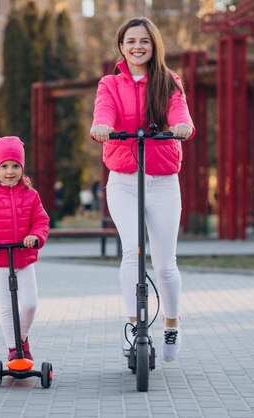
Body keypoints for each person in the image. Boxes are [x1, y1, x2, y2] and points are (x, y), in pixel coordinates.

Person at [90, 17, 195, 362]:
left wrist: (181, 126)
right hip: (123, 180)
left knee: (164, 264)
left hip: (163, 180)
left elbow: (179, 110)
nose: (138, 46)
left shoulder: (168, 81)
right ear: (121, 46)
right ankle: (135, 325)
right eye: (131, 41)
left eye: (145, 41)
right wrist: (102, 126)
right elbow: (103, 110)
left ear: (154, 46)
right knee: (132, 254)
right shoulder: (109, 83)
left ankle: (172, 323)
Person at [0, 136, 50, 362]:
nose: (10, 171)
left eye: (15, 166)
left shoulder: (31, 195)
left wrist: (35, 236)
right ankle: (14, 349)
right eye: (4, 166)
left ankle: (21, 339)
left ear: (22, 168)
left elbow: (41, 221)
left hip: (24, 256)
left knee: (30, 304)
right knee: (7, 305)